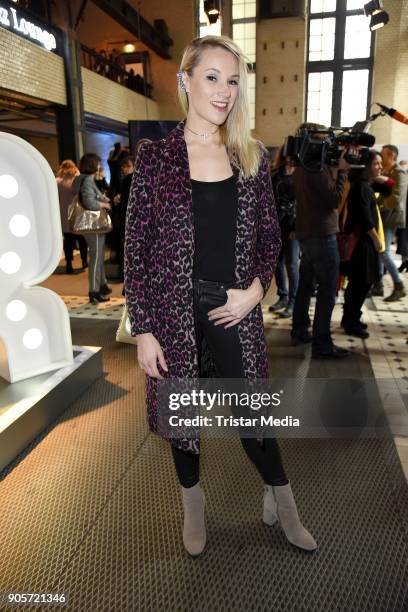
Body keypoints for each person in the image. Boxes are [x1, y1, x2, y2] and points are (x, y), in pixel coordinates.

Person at [124, 35, 317, 557]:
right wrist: (143, 328)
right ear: (184, 80)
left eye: (233, 80)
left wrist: (257, 289)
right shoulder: (157, 159)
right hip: (170, 312)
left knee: (252, 415)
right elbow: (136, 247)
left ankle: (283, 500)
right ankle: (194, 505)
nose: (224, 91)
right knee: (182, 417)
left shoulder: (247, 155)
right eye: (212, 77)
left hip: (233, 309)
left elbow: (270, 237)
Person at [290, 124, 352, 359]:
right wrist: (343, 171)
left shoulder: (301, 166)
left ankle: (299, 330)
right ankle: (322, 343)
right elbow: (334, 199)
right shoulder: (317, 169)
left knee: (306, 285)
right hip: (322, 236)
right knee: (327, 291)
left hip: (306, 234)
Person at [341, 150, 384, 338]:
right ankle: (350, 321)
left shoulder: (364, 185)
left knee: (361, 283)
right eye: (376, 164)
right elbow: (364, 217)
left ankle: (352, 317)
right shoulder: (360, 187)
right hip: (362, 243)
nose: (380, 167)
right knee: (360, 283)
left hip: (364, 242)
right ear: (366, 166)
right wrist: (375, 238)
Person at [72, 154, 112, 304]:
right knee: (96, 257)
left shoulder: (80, 178)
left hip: (89, 226)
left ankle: (102, 285)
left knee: (98, 255)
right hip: (93, 225)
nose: (98, 166)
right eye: (97, 163)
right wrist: (105, 205)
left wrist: (103, 198)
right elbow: (90, 203)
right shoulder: (87, 179)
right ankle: (94, 290)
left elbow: (94, 195)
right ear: (92, 164)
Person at [372, 145, 408, 301]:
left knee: (383, 252)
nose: (380, 156)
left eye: (383, 154)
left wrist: (378, 205)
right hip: (383, 216)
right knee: (379, 251)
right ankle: (378, 284)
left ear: (392, 155)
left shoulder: (400, 172)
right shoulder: (388, 172)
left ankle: (399, 284)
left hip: (391, 217)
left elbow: (396, 197)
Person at [268, 147, 299, 318]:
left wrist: (296, 227)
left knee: (292, 265)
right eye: (287, 153)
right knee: (276, 263)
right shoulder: (275, 173)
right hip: (276, 223)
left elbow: (302, 204)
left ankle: (293, 302)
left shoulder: (301, 174)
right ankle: (283, 296)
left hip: (293, 225)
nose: (289, 157)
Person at [56, 160, 88, 274]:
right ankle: (84, 261)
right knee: (82, 239)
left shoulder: (58, 182)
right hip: (77, 213)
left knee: (68, 240)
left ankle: (69, 263)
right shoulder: (77, 179)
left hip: (64, 214)